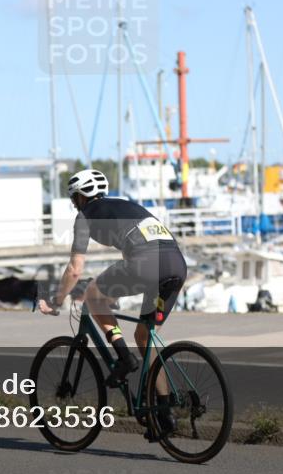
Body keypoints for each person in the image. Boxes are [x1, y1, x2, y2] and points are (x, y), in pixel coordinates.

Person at [37, 169, 188, 440]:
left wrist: (57, 301)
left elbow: (75, 269)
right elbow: (138, 246)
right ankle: (164, 413)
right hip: (176, 266)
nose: (74, 204)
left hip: (147, 265)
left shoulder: (85, 216)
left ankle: (123, 357)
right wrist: (116, 291)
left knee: (93, 296)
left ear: (80, 197)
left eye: (74, 199)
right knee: (145, 337)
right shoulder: (127, 206)